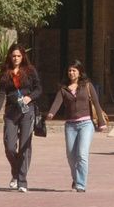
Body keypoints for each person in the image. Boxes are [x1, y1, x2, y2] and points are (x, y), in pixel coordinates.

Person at [45, 60, 108, 192]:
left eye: (74, 70)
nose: (71, 73)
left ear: (79, 72)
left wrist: (101, 123)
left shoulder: (87, 85)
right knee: (71, 156)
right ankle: (76, 178)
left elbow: (96, 103)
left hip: (86, 124)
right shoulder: (64, 88)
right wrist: (51, 113)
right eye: (69, 70)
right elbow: (57, 102)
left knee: (82, 154)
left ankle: (80, 184)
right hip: (70, 125)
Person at [0, 44, 41, 193]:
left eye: (19, 56)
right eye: (14, 56)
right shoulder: (5, 72)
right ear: (10, 57)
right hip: (11, 112)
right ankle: (16, 171)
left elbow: (39, 89)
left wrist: (29, 97)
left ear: (23, 56)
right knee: (10, 146)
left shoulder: (30, 71)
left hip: (27, 111)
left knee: (25, 145)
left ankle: (22, 181)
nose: (16, 58)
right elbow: (1, 93)